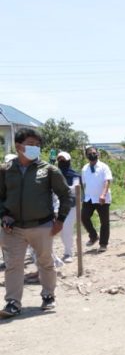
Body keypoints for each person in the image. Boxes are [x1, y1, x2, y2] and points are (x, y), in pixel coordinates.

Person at [0, 128, 71, 318]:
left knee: (45, 262)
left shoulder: (49, 170)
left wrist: (61, 220)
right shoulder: (5, 170)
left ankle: (48, 295)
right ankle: (13, 303)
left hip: (42, 226)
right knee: (13, 266)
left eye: (38, 145)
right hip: (13, 228)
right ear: (18, 146)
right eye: (31, 145)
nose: (35, 148)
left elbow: (66, 195)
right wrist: (3, 215)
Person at [81, 145, 112, 252]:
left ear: (98, 154)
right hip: (89, 198)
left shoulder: (104, 167)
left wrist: (103, 194)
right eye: (89, 153)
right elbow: (84, 184)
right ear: (86, 156)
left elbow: (107, 181)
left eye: (94, 153)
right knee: (84, 217)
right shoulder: (84, 168)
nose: (92, 155)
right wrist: (82, 196)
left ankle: (103, 244)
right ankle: (93, 236)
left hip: (102, 198)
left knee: (104, 222)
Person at [55, 151, 80, 263]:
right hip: (57, 205)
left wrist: (61, 188)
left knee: (67, 228)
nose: (61, 162)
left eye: (64, 160)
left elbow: (75, 188)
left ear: (68, 161)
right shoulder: (54, 174)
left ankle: (68, 253)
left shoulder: (74, 174)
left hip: (71, 205)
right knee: (60, 230)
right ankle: (67, 250)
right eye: (59, 160)